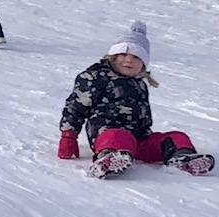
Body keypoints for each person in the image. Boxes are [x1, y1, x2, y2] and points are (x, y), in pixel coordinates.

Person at [58, 22, 213, 178]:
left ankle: (182, 158)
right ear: (113, 56)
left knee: (176, 136)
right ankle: (108, 159)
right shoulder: (96, 77)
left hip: (140, 139)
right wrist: (68, 137)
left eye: (136, 57)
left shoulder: (139, 83)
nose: (129, 60)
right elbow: (75, 108)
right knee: (117, 136)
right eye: (123, 54)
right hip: (107, 136)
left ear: (143, 64)